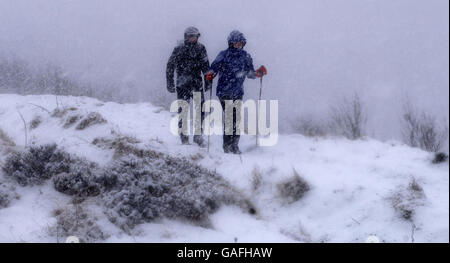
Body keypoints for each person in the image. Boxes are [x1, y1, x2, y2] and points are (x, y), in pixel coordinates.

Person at [206, 30, 267, 154]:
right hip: (224, 91)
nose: (238, 45)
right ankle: (227, 146)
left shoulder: (246, 56)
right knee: (230, 117)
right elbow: (213, 68)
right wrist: (210, 74)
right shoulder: (223, 55)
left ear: (243, 43)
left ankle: (234, 145)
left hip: (238, 92)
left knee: (236, 119)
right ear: (230, 43)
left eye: (240, 43)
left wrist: (258, 73)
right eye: (236, 43)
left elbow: (250, 73)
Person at [166, 27, 212, 146]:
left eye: (195, 36)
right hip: (183, 84)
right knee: (183, 111)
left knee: (200, 110)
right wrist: (170, 83)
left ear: (198, 37)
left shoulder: (201, 48)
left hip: (197, 84)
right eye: (190, 36)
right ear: (186, 36)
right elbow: (170, 66)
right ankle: (184, 137)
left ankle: (198, 135)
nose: (193, 38)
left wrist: (208, 82)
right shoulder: (179, 49)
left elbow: (206, 67)